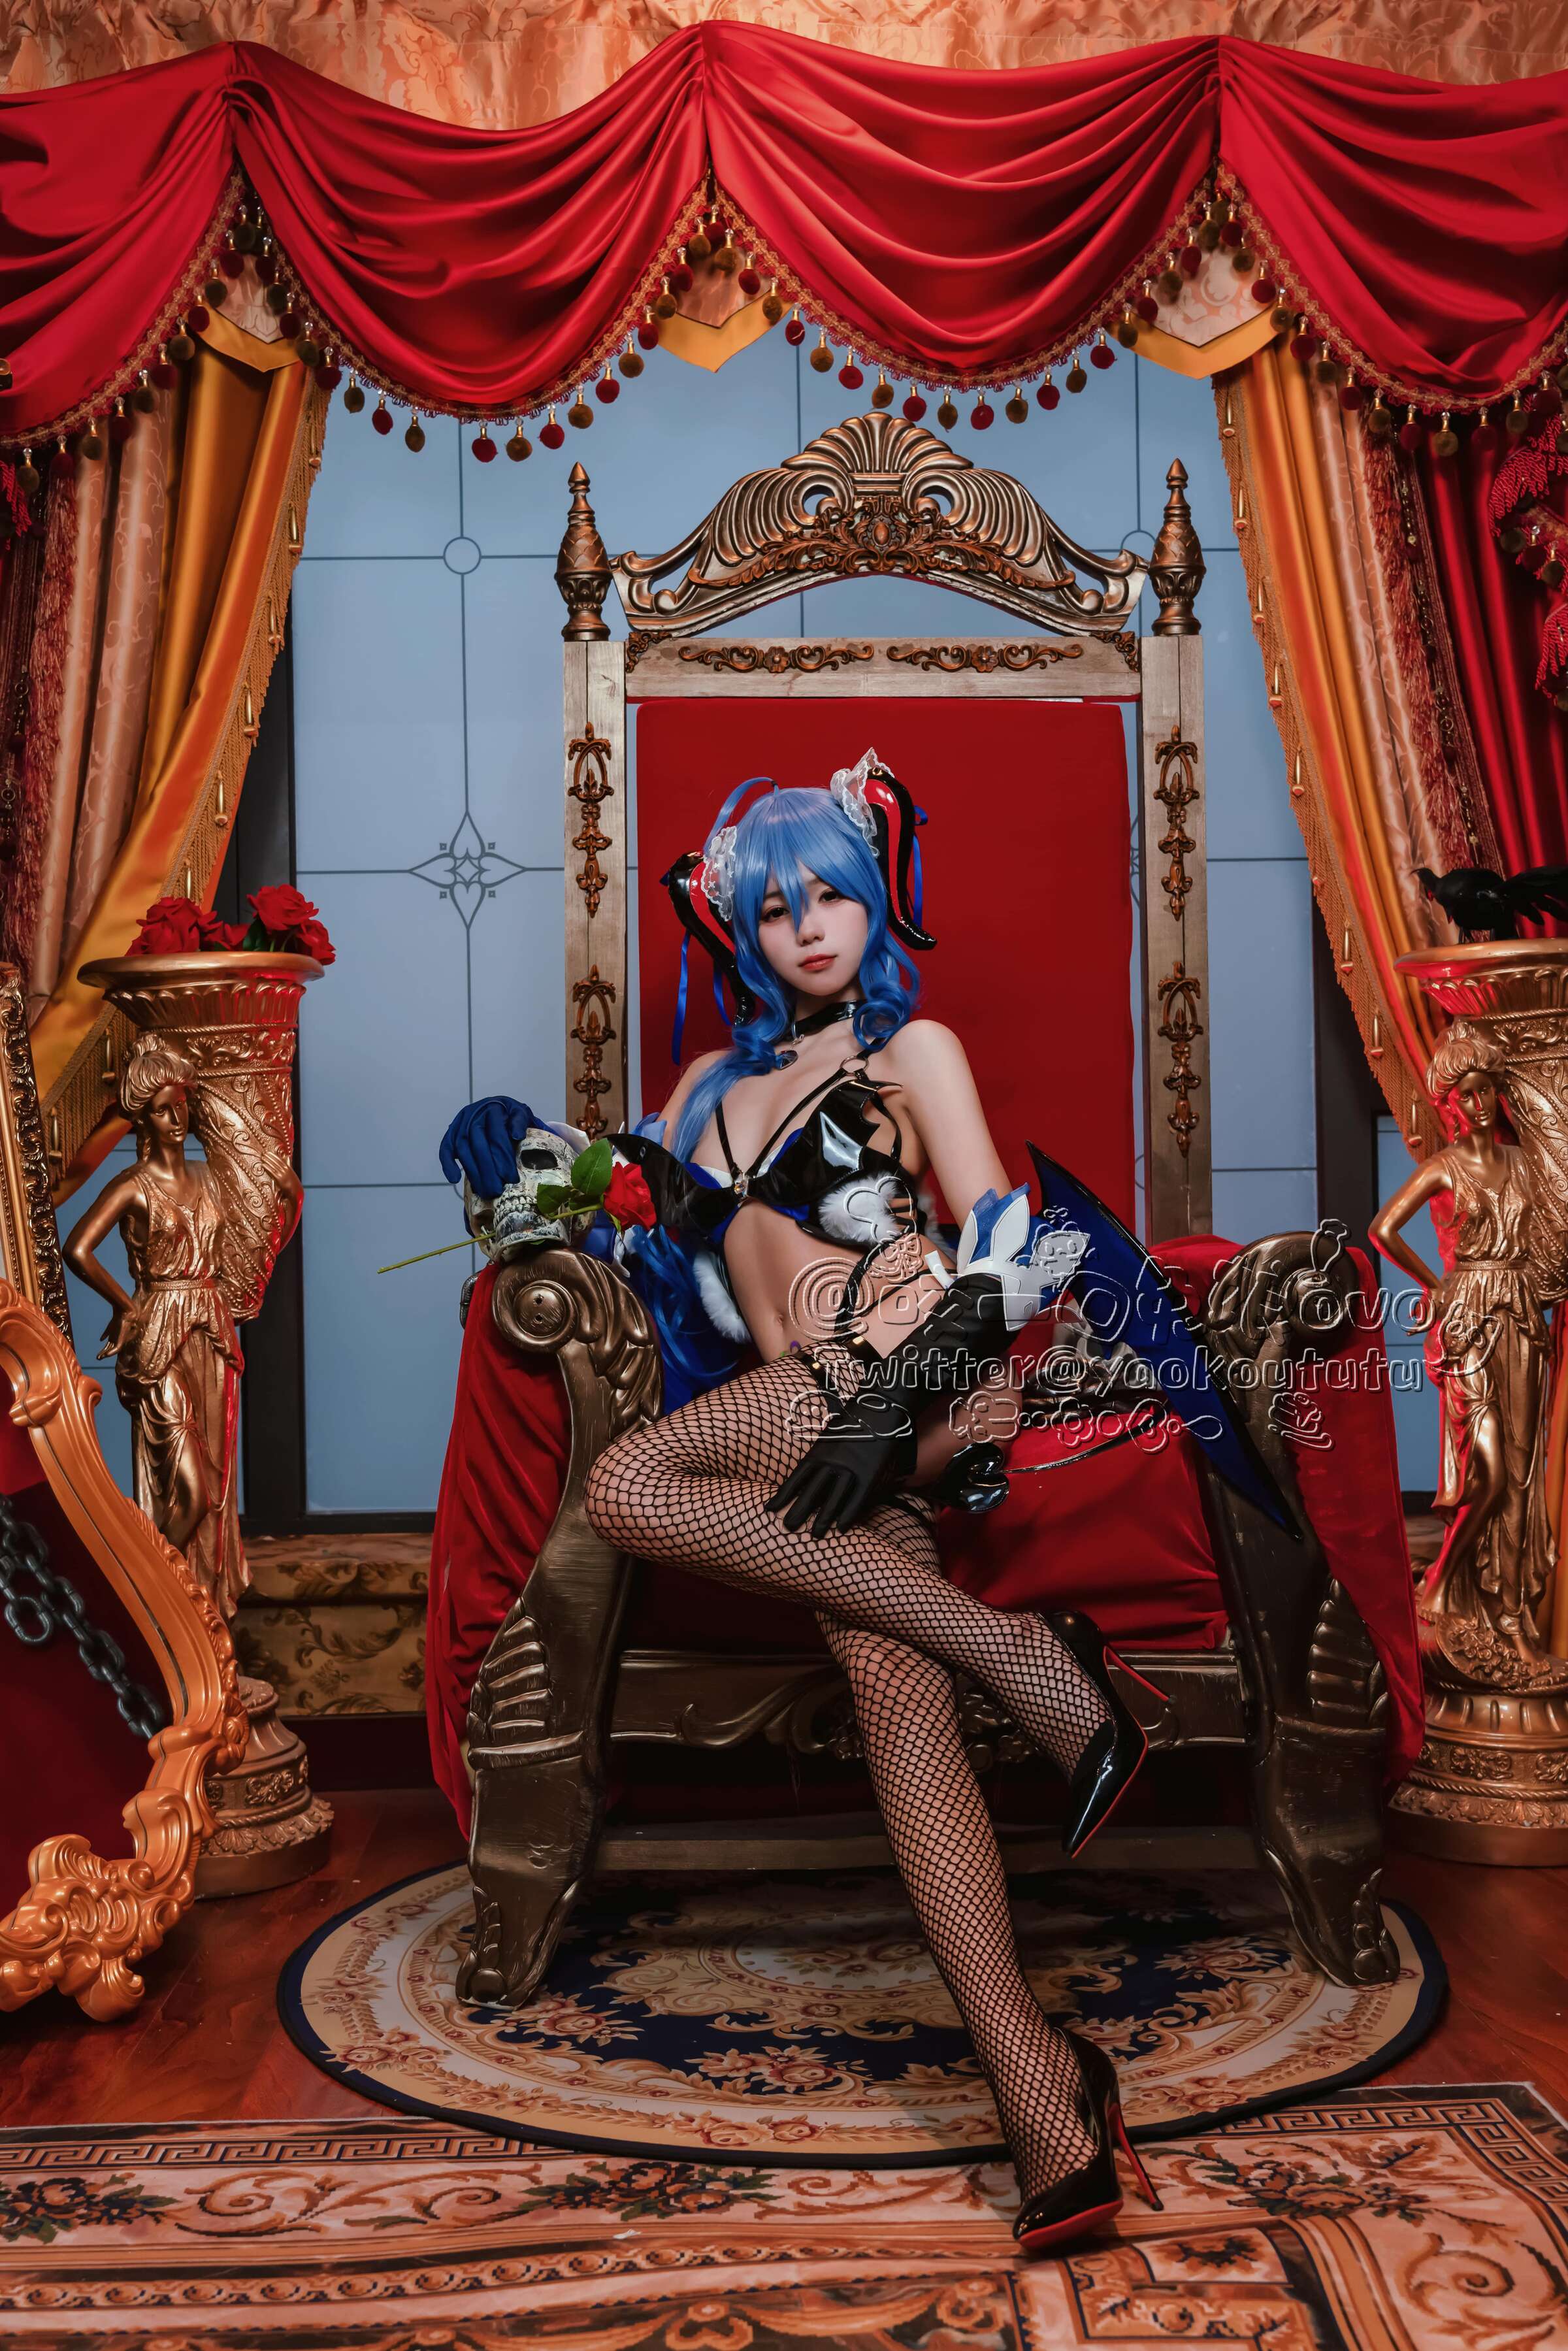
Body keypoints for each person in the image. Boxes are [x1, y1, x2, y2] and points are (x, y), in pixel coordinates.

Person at [447, 754, 1174, 2249]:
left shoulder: (916, 1050)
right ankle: (1044, 2094)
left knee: (630, 1482)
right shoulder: (703, 1091)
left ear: (871, 901)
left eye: (833, 893)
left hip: (916, 1373)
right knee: (890, 1671)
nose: (811, 927)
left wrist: (895, 1402)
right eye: (777, 907)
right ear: (739, 928)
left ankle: (1033, 1660)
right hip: (807, 1421)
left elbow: (1006, 1246)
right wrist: (528, 1176)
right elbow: (633, 1238)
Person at [1371, 1021, 1556, 1667]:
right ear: (1449, 1102)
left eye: (1485, 1090)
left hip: (1522, 1313)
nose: (1478, 1104)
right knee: (1490, 1464)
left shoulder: (1523, 1163)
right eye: (1466, 1094)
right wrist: (1435, 1284)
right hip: (1469, 1314)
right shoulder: (1444, 1168)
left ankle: (1506, 1609)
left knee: (1521, 1472)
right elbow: (1383, 1229)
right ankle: (1444, 1579)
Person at [64, 1036, 249, 1615]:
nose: (178, 1119)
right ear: (144, 1117)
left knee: (215, 1490)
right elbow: (78, 1249)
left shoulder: (210, 1177)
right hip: (159, 1336)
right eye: (165, 1109)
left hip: (211, 1330)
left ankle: (199, 1616)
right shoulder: (133, 1185)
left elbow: (249, 1235)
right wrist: (126, 1306)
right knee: (189, 1491)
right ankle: (147, 1603)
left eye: (182, 1106)